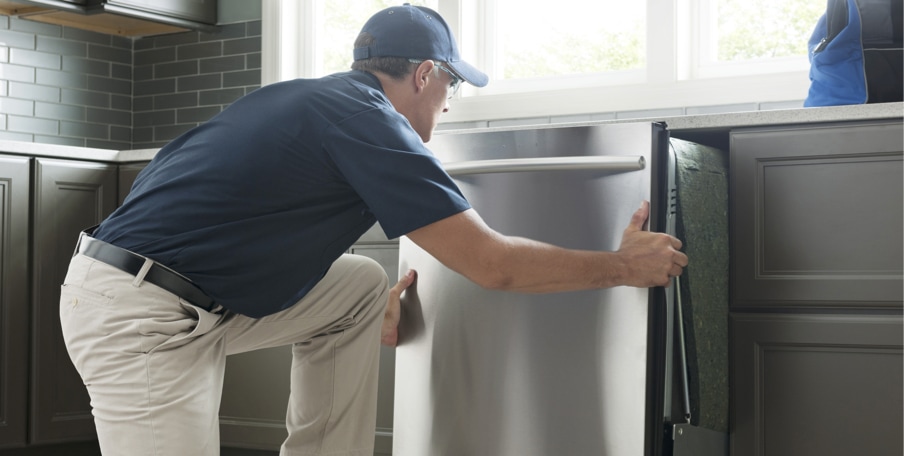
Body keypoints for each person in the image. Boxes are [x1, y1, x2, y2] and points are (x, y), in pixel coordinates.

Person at [59, 4, 688, 456]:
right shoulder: (369, 123)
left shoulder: (324, 102)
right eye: (450, 86)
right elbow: (492, 264)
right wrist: (623, 265)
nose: (447, 102)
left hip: (188, 296)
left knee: (359, 285)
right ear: (423, 75)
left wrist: (363, 317)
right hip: (142, 315)